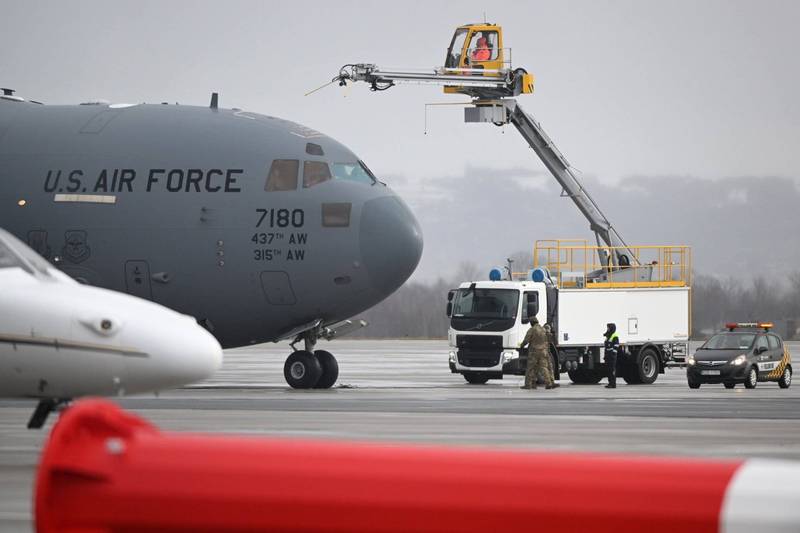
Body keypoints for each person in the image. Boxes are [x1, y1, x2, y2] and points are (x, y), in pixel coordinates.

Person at [520, 317, 556, 390]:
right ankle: (548, 383)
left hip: (534, 352)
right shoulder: (543, 329)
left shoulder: (532, 330)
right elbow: (548, 339)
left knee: (530, 368)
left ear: (531, 323)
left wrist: (522, 346)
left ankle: (528, 385)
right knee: (544, 367)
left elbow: (526, 340)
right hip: (543, 351)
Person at [604, 323, 620, 388]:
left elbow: (616, 345)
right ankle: (610, 383)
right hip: (608, 355)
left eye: (608, 327)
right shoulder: (608, 335)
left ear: (611, 328)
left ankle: (613, 384)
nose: (607, 329)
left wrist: (613, 354)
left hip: (612, 356)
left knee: (612, 369)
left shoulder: (614, 335)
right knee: (608, 370)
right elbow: (606, 346)